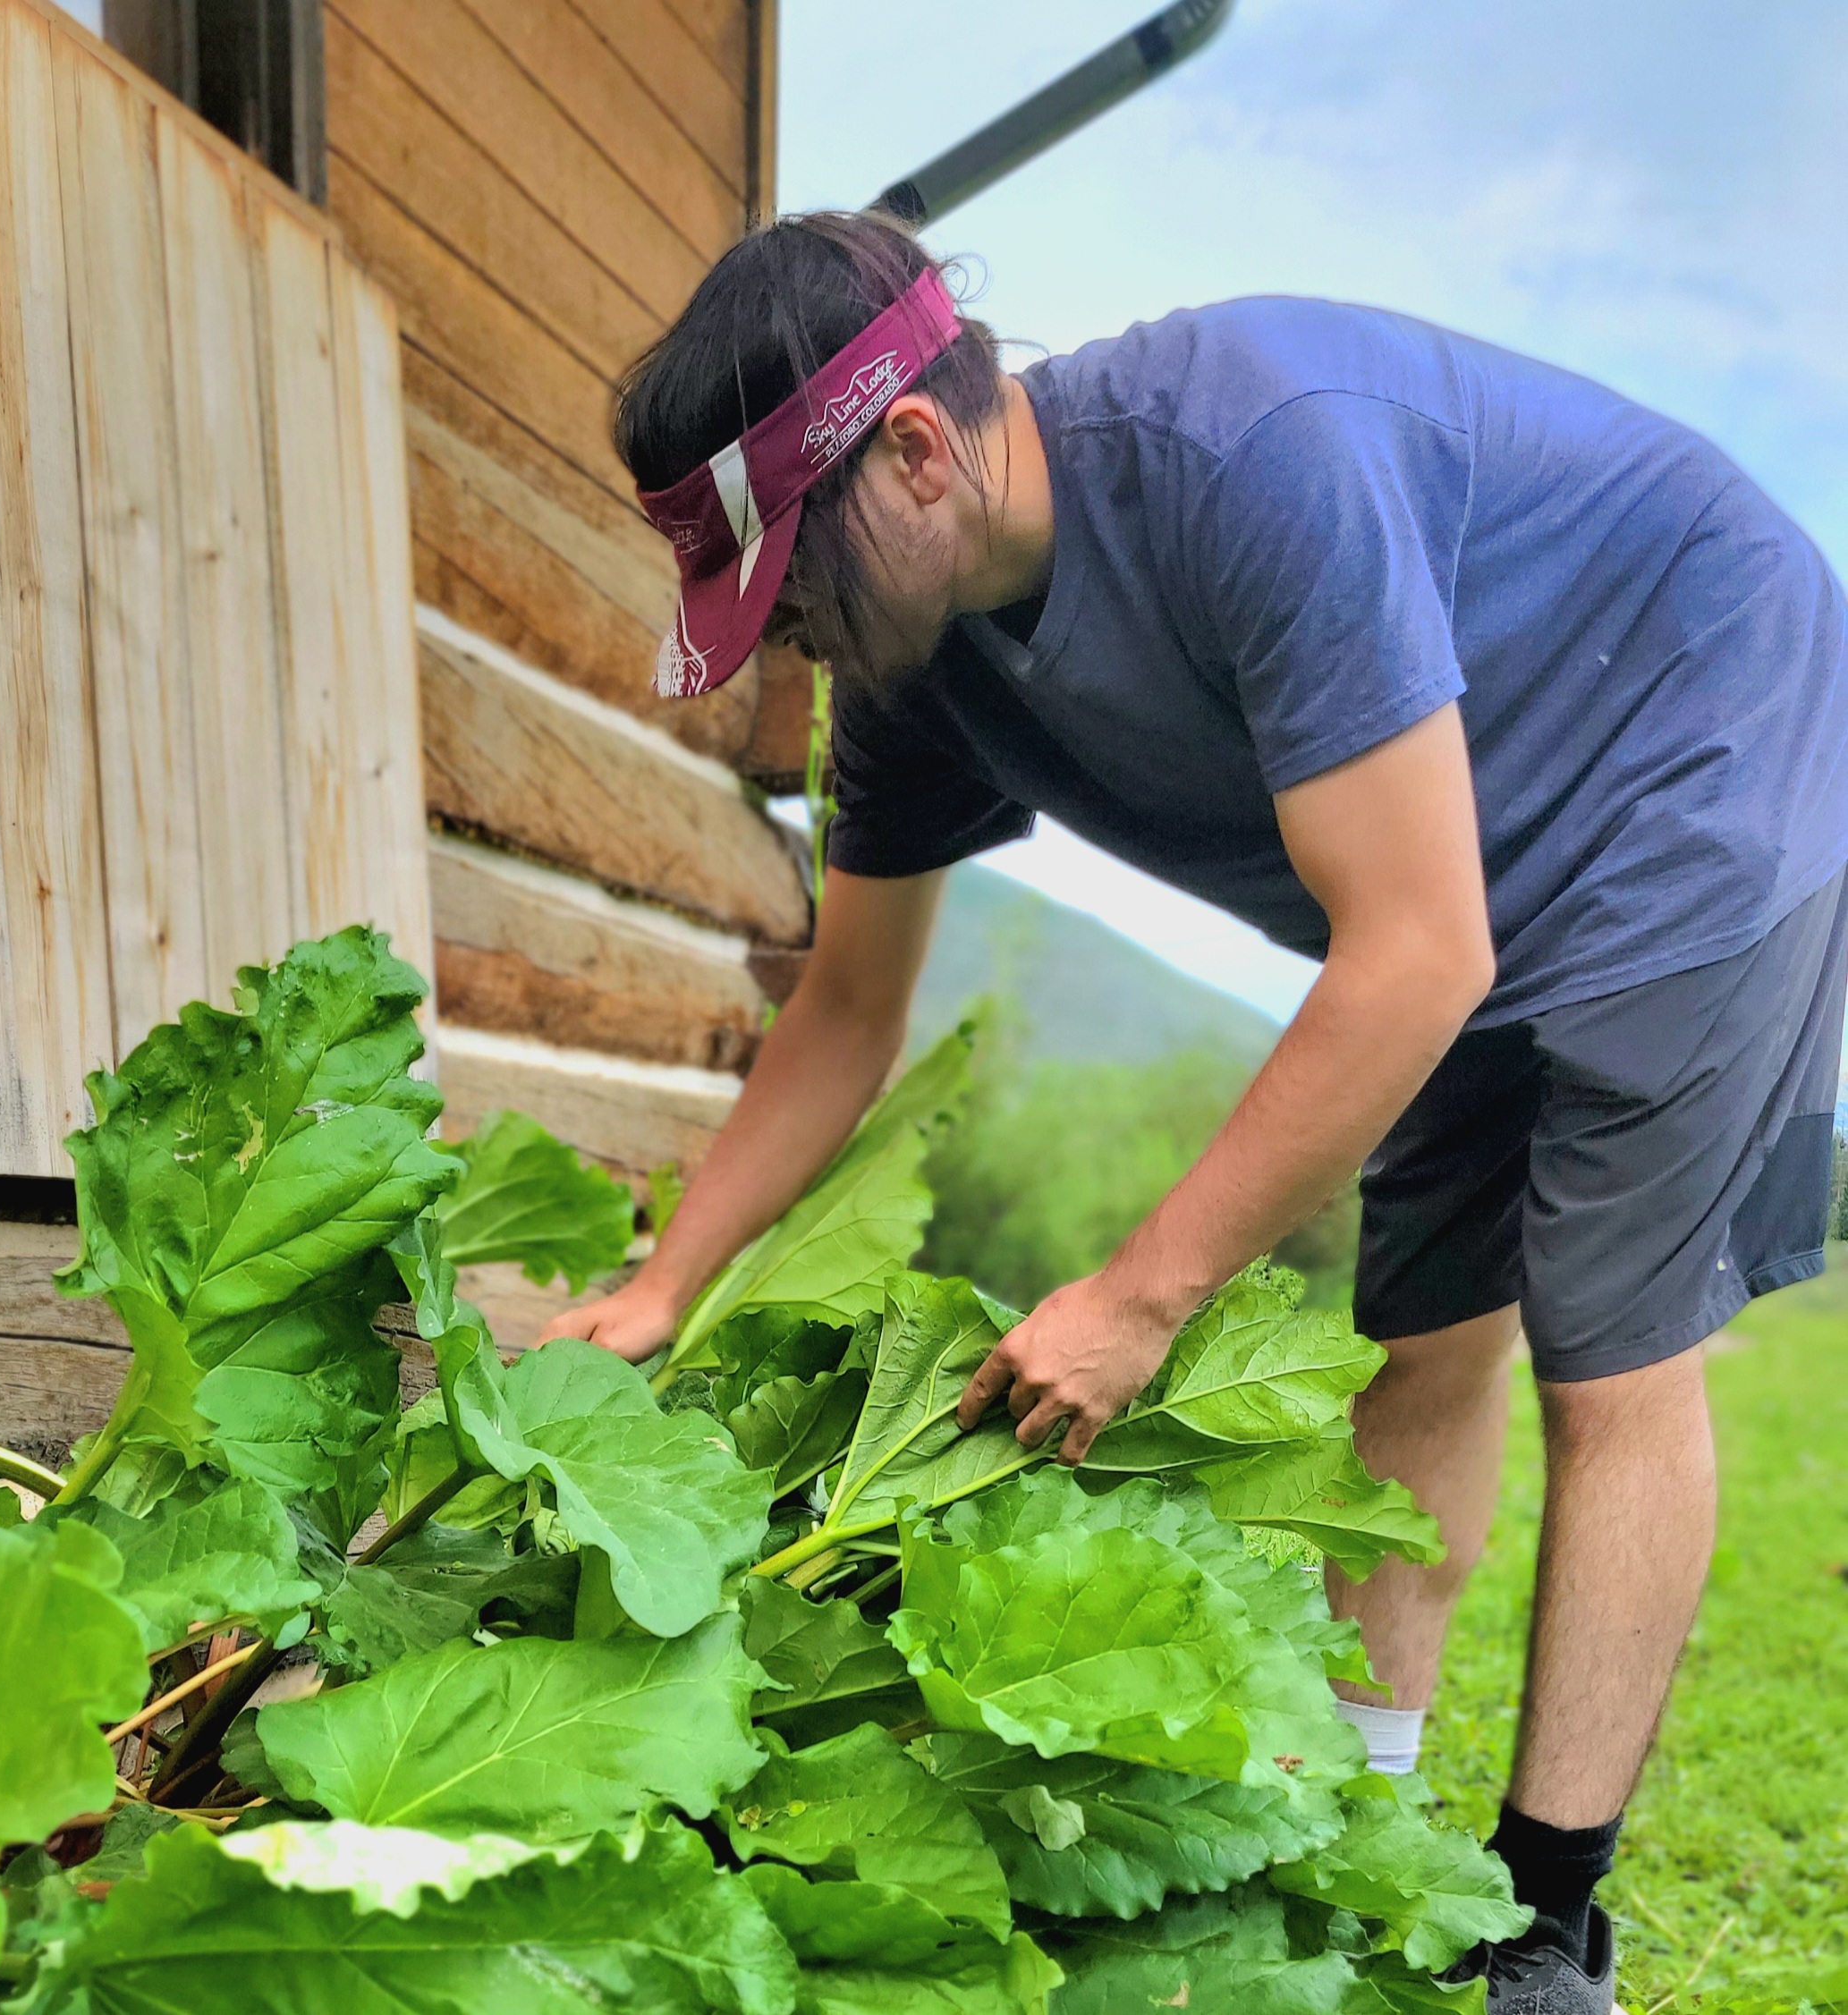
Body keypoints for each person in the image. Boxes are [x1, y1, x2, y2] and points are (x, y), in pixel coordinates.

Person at [541, 209, 1848, 2011]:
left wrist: (1139, 1293)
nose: (796, 652)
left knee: (1604, 1349)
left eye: (799, 598)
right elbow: (844, 1009)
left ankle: (1550, 1932)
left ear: (916, 450)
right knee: (1424, 1339)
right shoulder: (913, 668)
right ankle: (1363, 1827)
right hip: (1449, 864)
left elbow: (1412, 952)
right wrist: (662, 1280)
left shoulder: (1253, 459)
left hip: (1695, 729)